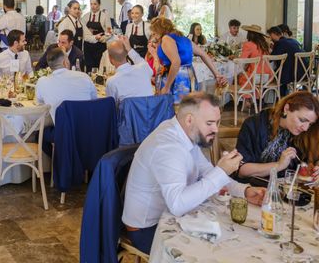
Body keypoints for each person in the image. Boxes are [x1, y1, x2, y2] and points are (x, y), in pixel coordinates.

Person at [122, 92, 266, 254]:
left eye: (217, 122)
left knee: (236, 235)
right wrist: (222, 171)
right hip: (147, 229)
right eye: (210, 123)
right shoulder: (168, 147)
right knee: (221, 251)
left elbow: (207, 172)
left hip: (170, 216)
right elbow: (178, 204)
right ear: (189, 119)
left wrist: (244, 191)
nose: (216, 129)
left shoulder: (184, 133)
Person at [236, 91, 319, 182]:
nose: (306, 128)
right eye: (302, 120)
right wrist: (279, 165)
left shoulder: (306, 132)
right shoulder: (254, 124)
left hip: (293, 189)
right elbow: (242, 170)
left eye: (310, 124)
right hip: (257, 189)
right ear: (286, 109)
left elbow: (315, 158)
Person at [152, 18, 225, 101]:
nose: (154, 35)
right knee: (187, 108)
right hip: (189, 77)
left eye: (154, 32)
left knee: (173, 109)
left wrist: (167, 86)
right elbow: (204, 54)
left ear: (160, 30)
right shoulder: (184, 39)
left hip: (175, 79)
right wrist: (217, 74)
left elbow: (176, 62)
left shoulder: (166, 38)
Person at [35, 47, 97, 125]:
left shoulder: (42, 82)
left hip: (63, 132)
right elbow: (94, 101)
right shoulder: (84, 77)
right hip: (89, 128)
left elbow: (40, 106)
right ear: (65, 63)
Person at [105, 36, 154, 103]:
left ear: (110, 59)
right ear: (127, 54)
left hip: (128, 113)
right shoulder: (144, 68)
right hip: (150, 112)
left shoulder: (112, 82)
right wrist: (129, 48)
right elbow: (139, 59)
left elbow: (111, 107)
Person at [267, 25, 303, 97]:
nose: (270, 38)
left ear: (273, 34)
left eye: (270, 35)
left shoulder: (280, 43)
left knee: (269, 75)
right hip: (303, 72)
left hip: (293, 75)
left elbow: (271, 59)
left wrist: (268, 47)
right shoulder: (293, 41)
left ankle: (278, 99)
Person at [81, 0, 112, 72]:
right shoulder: (85, 16)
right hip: (88, 46)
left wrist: (104, 38)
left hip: (100, 46)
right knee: (88, 67)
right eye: (91, 4)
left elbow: (109, 31)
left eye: (95, 4)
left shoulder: (105, 16)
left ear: (99, 4)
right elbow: (83, 31)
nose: (93, 6)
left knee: (99, 66)